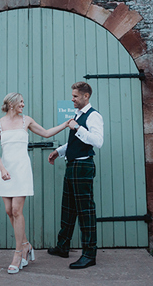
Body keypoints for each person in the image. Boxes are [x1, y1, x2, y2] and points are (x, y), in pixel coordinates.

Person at [0, 92, 70, 274]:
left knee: (17, 211)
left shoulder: (26, 121)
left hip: (21, 170)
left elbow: (46, 133)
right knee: (9, 211)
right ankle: (26, 244)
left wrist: (65, 124)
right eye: (21, 102)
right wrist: (2, 168)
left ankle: (18, 254)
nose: (23, 105)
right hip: (6, 170)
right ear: (11, 104)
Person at [47, 81, 104, 270]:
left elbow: (97, 141)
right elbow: (76, 142)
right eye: (72, 96)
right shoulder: (77, 115)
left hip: (83, 167)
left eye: (75, 96)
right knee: (68, 208)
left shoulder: (93, 116)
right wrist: (59, 151)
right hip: (72, 165)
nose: (72, 99)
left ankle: (89, 255)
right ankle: (63, 246)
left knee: (85, 211)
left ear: (85, 96)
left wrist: (77, 128)